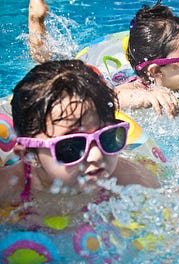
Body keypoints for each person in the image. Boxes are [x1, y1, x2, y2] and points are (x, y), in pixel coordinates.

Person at [0, 59, 160, 230]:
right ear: (29, 155)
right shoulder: (8, 188)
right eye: (71, 146)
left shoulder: (131, 180)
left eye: (107, 137)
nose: (96, 155)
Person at [28, 0, 179, 119]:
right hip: (108, 79)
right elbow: (107, 102)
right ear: (155, 72)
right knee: (49, 70)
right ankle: (36, 20)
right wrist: (145, 97)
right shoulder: (137, 86)